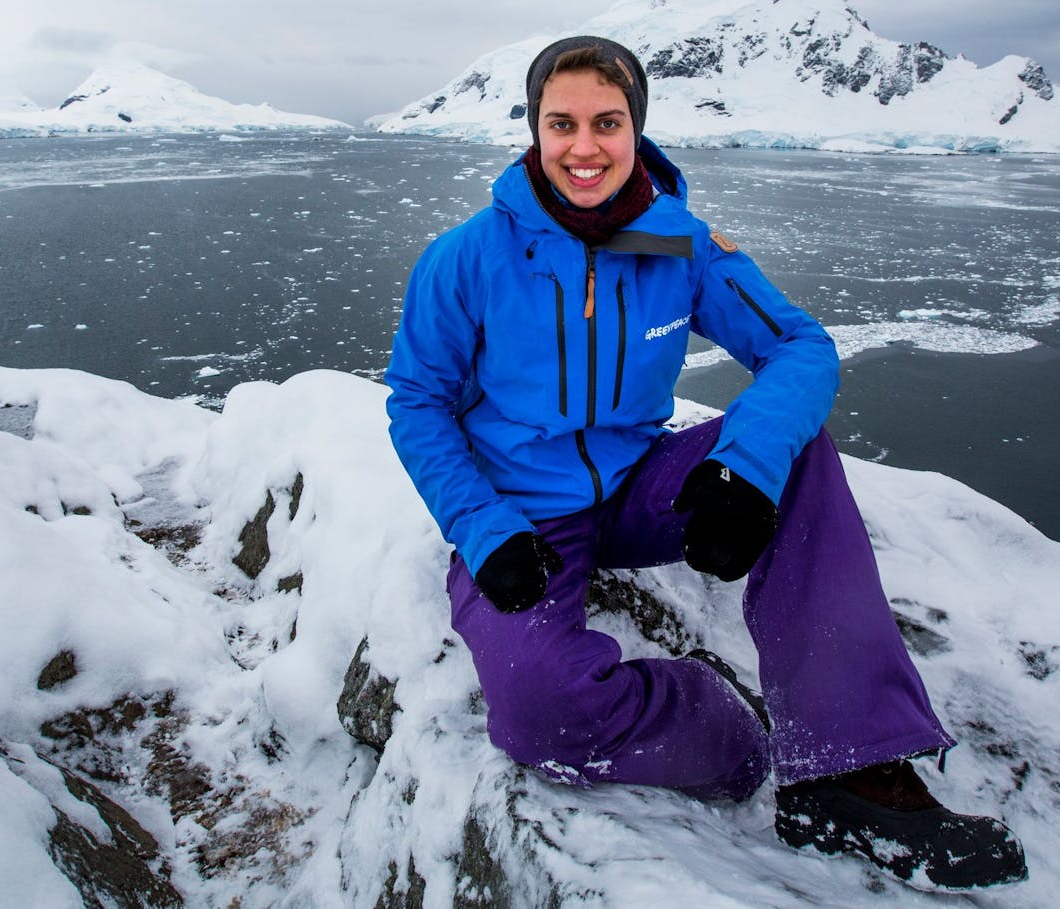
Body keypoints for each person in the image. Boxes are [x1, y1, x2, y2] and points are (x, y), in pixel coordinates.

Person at [384, 35, 1026, 891]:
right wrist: (482, 526)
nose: (584, 148)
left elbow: (799, 346)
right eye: (561, 123)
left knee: (797, 459)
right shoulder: (470, 257)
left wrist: (745, 470)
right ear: (533, 129)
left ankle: (847, 772)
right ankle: (726, 730)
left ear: (636, 127)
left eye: (606, 123)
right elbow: (417, 402)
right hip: (519, 514)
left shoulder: (677, 243)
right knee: (540, 715)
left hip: (635, 484)